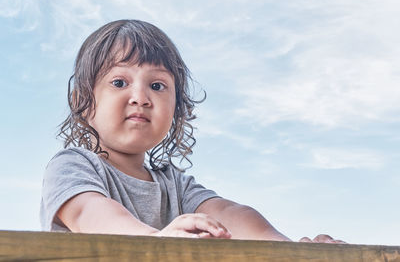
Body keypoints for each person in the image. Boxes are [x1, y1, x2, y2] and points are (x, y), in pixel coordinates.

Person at [40, 19, 343, 243]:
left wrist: (288, 248)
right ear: (83, 101)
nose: (141, 97)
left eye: (157, 85)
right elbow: (89, 214)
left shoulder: (176, 185)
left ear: (177, 108)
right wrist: (157, 239)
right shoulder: (72, 165)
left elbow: (230, 214)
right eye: (120, 82)